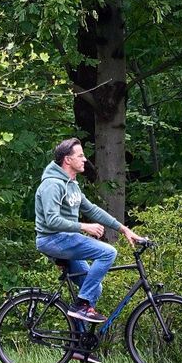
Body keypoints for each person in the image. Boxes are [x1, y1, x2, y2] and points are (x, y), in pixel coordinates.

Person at [34, 138, 142, 329]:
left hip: (67, 239)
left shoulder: (72, 185)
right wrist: (84, 227)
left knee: (93, 288)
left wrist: (124, 229)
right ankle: (82, 305)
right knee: (108, 252)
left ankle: (79, 344)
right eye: (80, 156)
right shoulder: (52, 184)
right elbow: (51, 221)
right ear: (67, 160)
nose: (85, 160)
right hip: (53, 239)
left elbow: (93, 210)